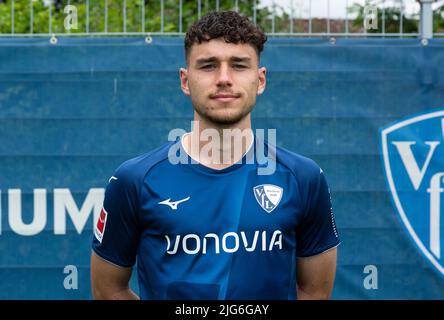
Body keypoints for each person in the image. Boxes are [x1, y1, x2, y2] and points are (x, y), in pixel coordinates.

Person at [91, 10, 340, 300]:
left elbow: (314, 292)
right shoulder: (133, 179)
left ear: (260, 80)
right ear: (185, 81)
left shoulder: (304, 177)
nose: (224, 79)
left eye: (238, 65)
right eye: (208, 66)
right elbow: (108, 290)